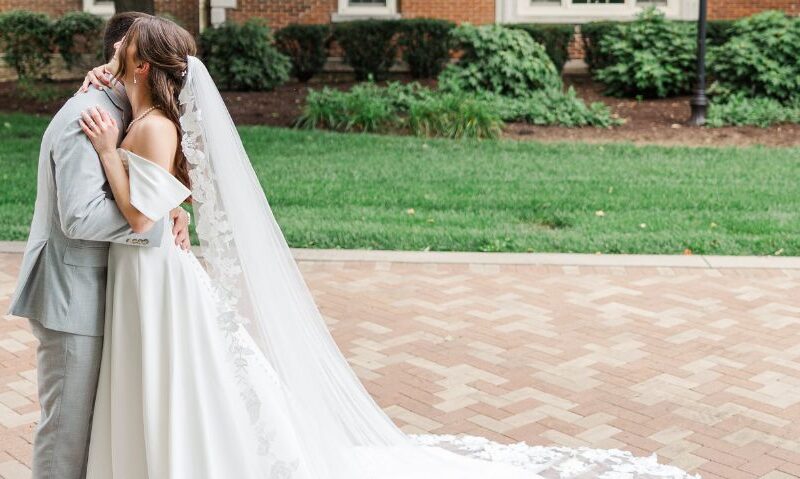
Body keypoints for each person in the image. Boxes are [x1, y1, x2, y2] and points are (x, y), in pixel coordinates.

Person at [77, 15, 698, 479]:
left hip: (154, 271)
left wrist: (109, 153)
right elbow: (162, 198)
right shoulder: (142, 114)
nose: (112, 53)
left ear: (139, 67)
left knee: (180, 375)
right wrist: (156, 183)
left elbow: (137, 216)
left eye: (120, 51)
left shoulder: (152, 126)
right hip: (149, 273)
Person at [7, 12, 191, 479]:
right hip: (72, 297)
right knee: (67, 432)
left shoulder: (127, 108)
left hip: (111, 293)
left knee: (101, 430)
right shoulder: (86, 116)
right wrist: (151, 225)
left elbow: (139, 179)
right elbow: (80, 215)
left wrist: (169, 206)